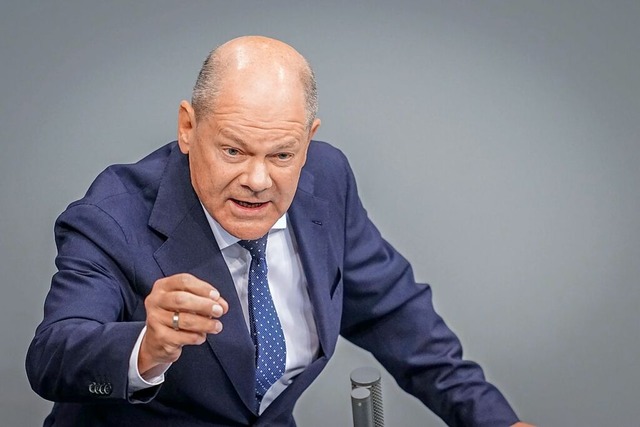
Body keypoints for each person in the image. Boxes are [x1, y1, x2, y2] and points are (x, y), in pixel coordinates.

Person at [26, 36, 534, 427]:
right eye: (233, 151)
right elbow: (51, 357)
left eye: (282, 155)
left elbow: (394, 312)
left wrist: (495, 419)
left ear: (308, 141)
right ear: (188, 127)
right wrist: (145, 347)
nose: (257, 180)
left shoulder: (327, 180)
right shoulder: (113, 216)